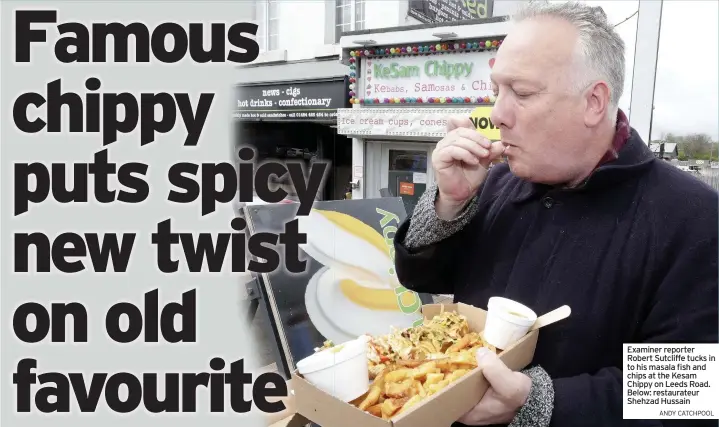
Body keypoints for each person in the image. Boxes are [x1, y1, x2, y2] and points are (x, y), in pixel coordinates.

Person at [393, 2, 718, 427]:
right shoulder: (499, 181)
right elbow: (422, 279)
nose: (497, 116)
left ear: (594, 102)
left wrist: (535, 402)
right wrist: (449, 204)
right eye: (497, 91)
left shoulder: (693, 218)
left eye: (522, 94)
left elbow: (687, 395)